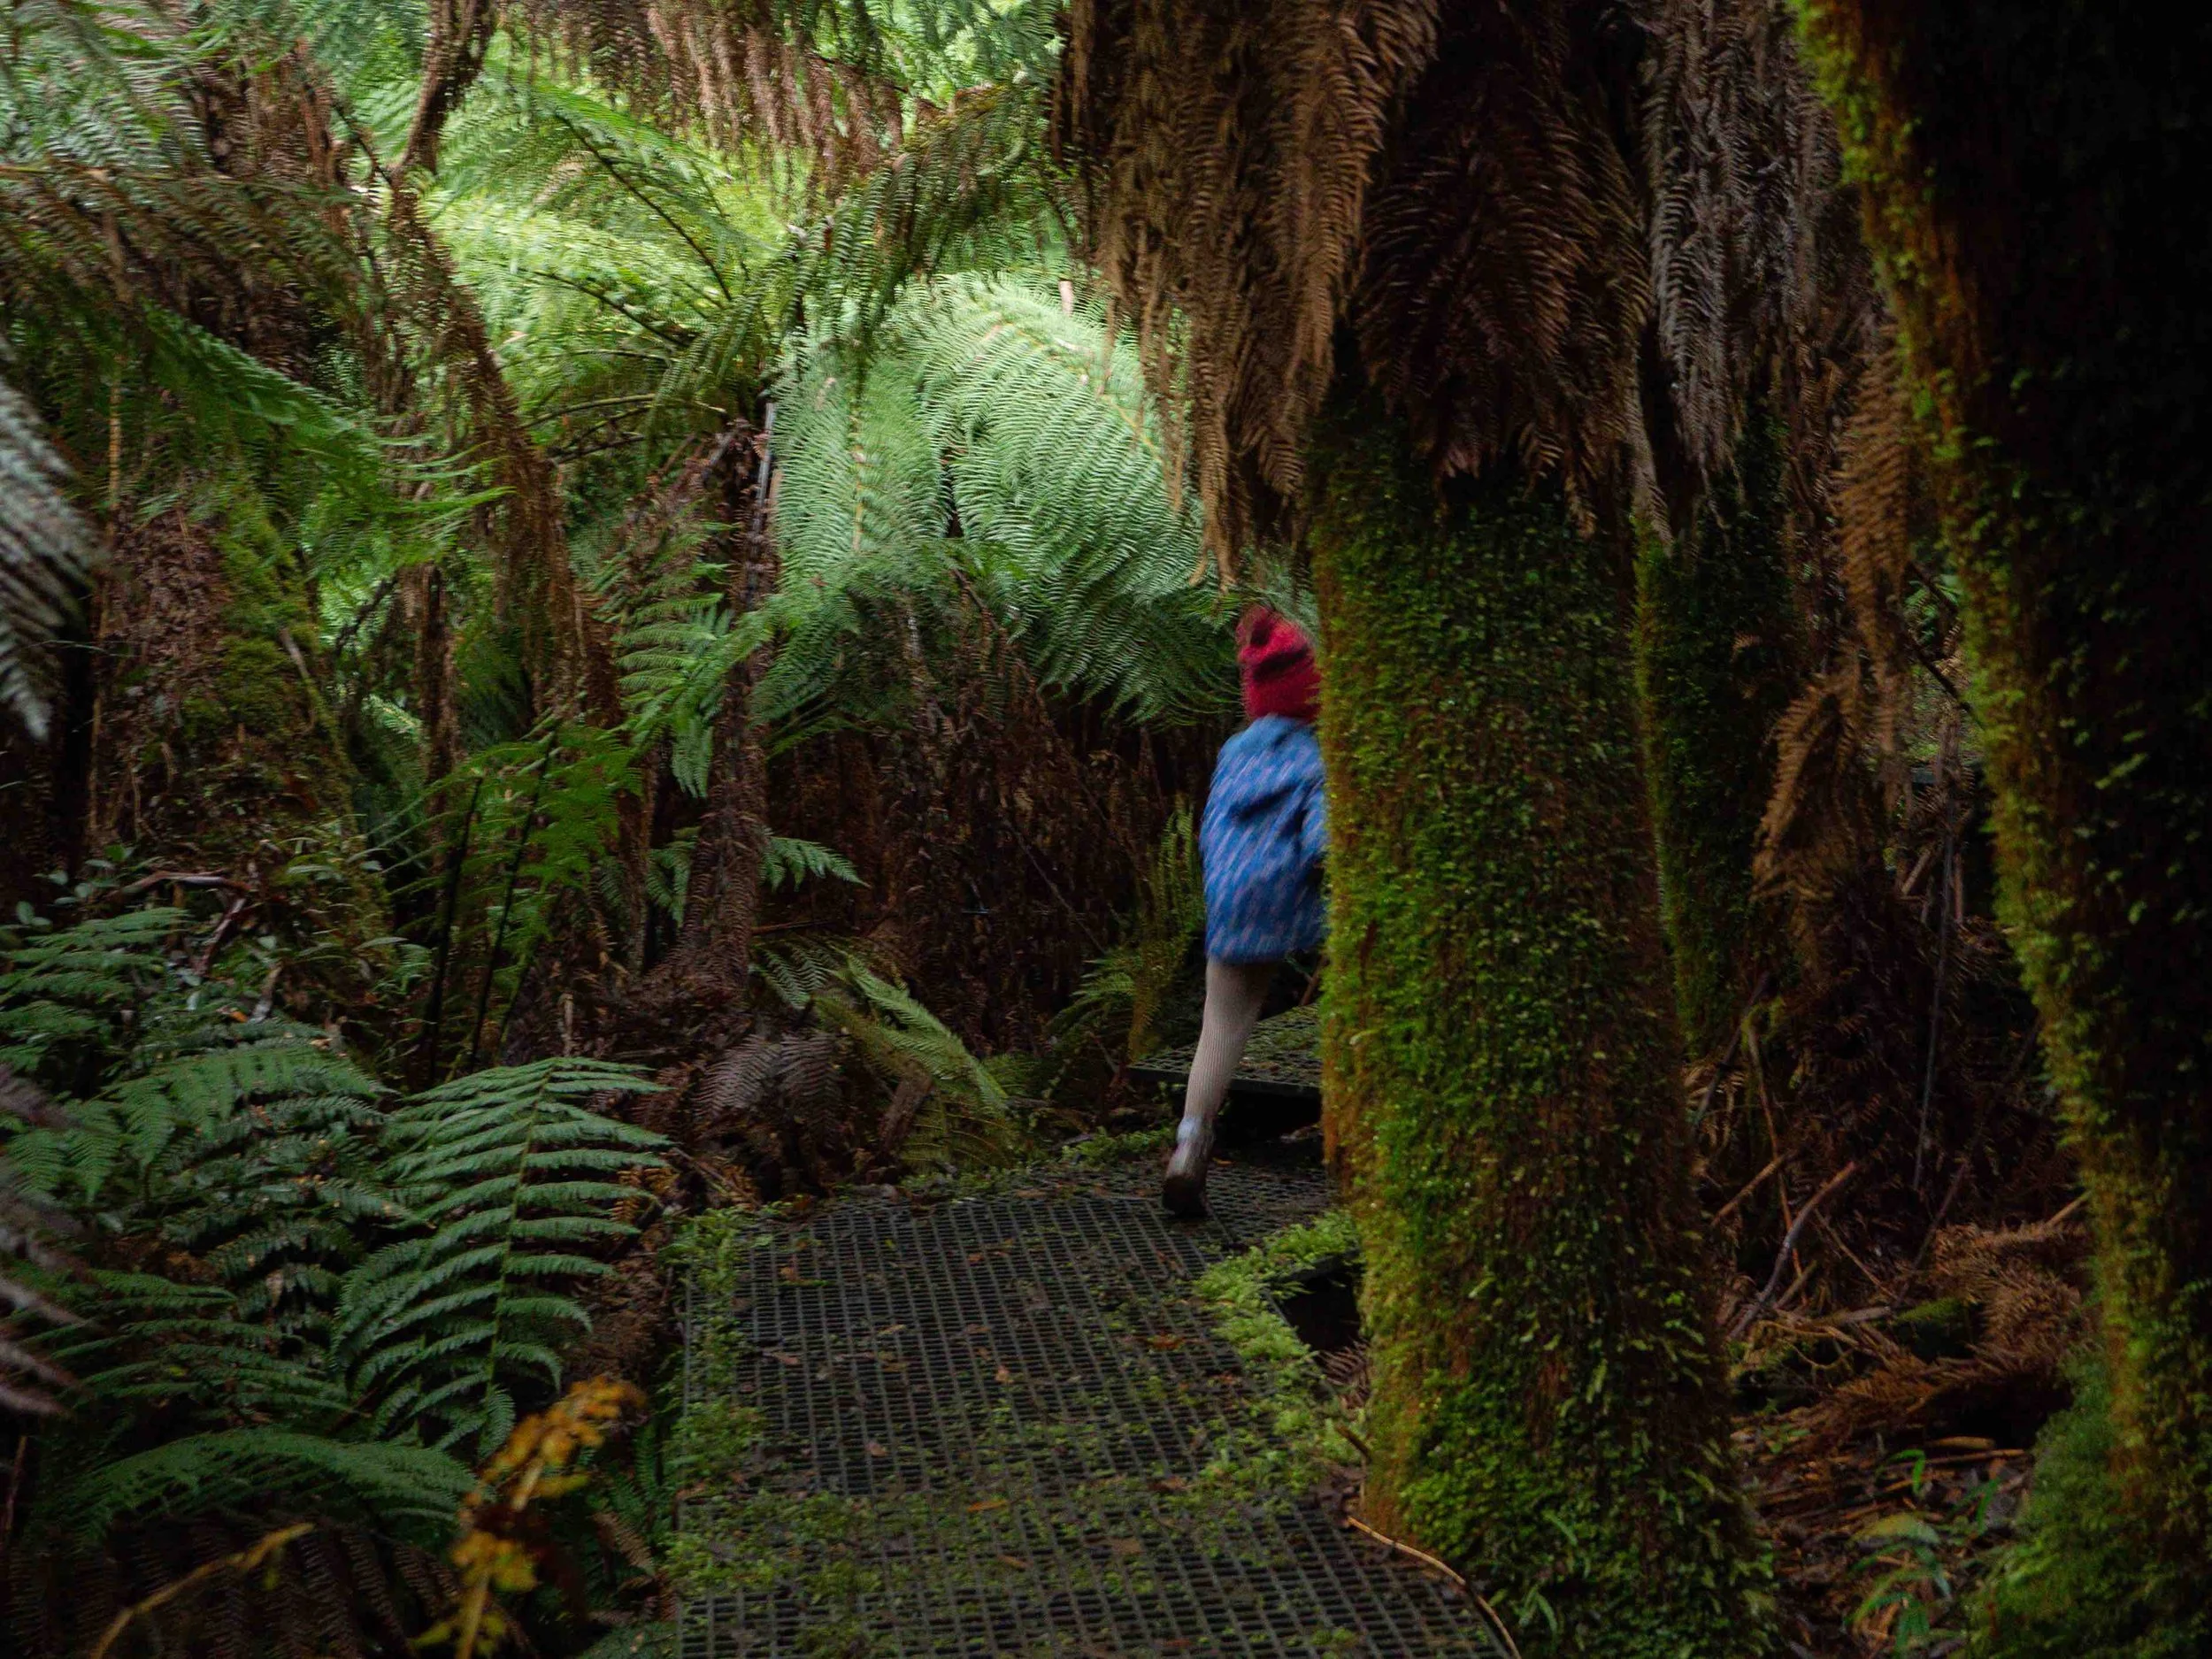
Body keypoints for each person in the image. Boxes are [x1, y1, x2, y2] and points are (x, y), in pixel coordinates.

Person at [1163, 607, 1326, 1218]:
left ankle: (1187, 1147)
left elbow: (1212, 826)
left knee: (1221, 1027)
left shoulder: (1234, 750)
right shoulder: (1317, 757)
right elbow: (1322, 845)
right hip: (1290, 906)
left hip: (1228, 900)